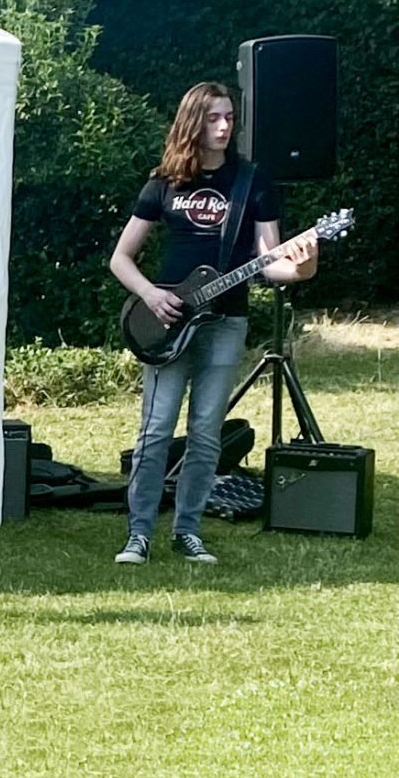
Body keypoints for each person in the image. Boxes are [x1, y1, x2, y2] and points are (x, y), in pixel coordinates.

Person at [109, 80, 315, 565]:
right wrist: (152, 295)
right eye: (214, 118)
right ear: (193, 121)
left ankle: (188, 531)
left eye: (229, 118)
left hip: (226, 322)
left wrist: (302, 267)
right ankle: (138, 534)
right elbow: (121, 258)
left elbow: (270, 262)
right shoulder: (164, 182)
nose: (224, 127)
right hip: (169, 321)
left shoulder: (251, 180)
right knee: (156, 430)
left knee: (205, 432)